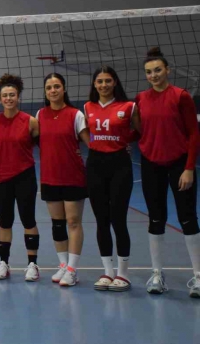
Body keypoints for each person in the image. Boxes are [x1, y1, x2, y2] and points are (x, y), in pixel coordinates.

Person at [136, 47, 200, 298]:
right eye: (149, 72)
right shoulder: (141, 99)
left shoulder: (181, 96)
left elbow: (194, 133)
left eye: (157, 70)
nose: (153, 75)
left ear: (167, 70)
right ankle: (157, 274)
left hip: (179, 164)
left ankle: (198, 276)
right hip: (151, 165)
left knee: (188, 218)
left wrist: (189, 168)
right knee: (156, 218)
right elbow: (137, 129)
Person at [85, 66, 139, 292]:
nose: (104, 85)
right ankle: (108, 271)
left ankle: (123, 273)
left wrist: (124, 142)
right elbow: (85, 133)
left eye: (108, 80)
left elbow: (139, 131)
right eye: (100, 81)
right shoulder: (88, 107)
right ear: (94, 84)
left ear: (115, 82)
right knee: (101, 220)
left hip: (120, 166)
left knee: (118, 219)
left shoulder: (128, 106)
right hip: (95, 165)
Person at [37, 73, 89, 287]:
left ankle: (72, 269)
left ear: (64, 89)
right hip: (50, 177)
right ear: (45, 91)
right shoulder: (40, 115)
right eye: (49, 87)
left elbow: (93, 143)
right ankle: (63, 264)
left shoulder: (76, 115)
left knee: (73, 222)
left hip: (73, 176)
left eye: (57, 86)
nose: (53, 90)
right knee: (57, 224)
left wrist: (119, 146)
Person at [0, 74, 40, 281]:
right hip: (2, 177)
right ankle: (4, 263)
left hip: (25, 176)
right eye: (5, 95)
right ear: (0, 98)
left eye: (12, 95)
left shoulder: (30, 122)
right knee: (5, 221)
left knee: (28, 219)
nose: (8, 98)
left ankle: (32, 264)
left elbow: (45, 145)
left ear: (18, 97)